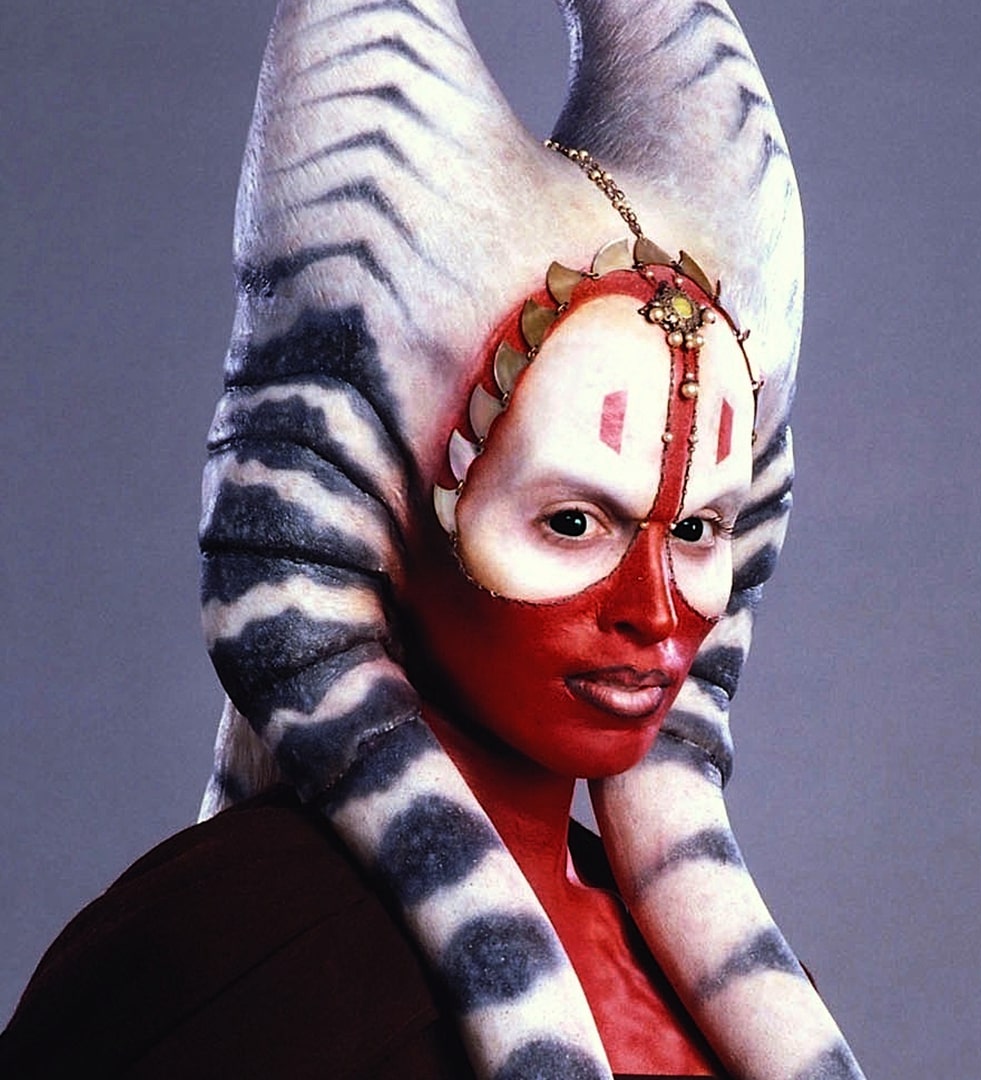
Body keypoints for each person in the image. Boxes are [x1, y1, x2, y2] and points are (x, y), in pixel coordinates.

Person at [3, 3, 866, 1077]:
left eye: (696, 529)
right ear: (373, 511)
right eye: (571, 520)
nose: (654, 612)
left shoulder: (708, 991)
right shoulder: (230, 961)